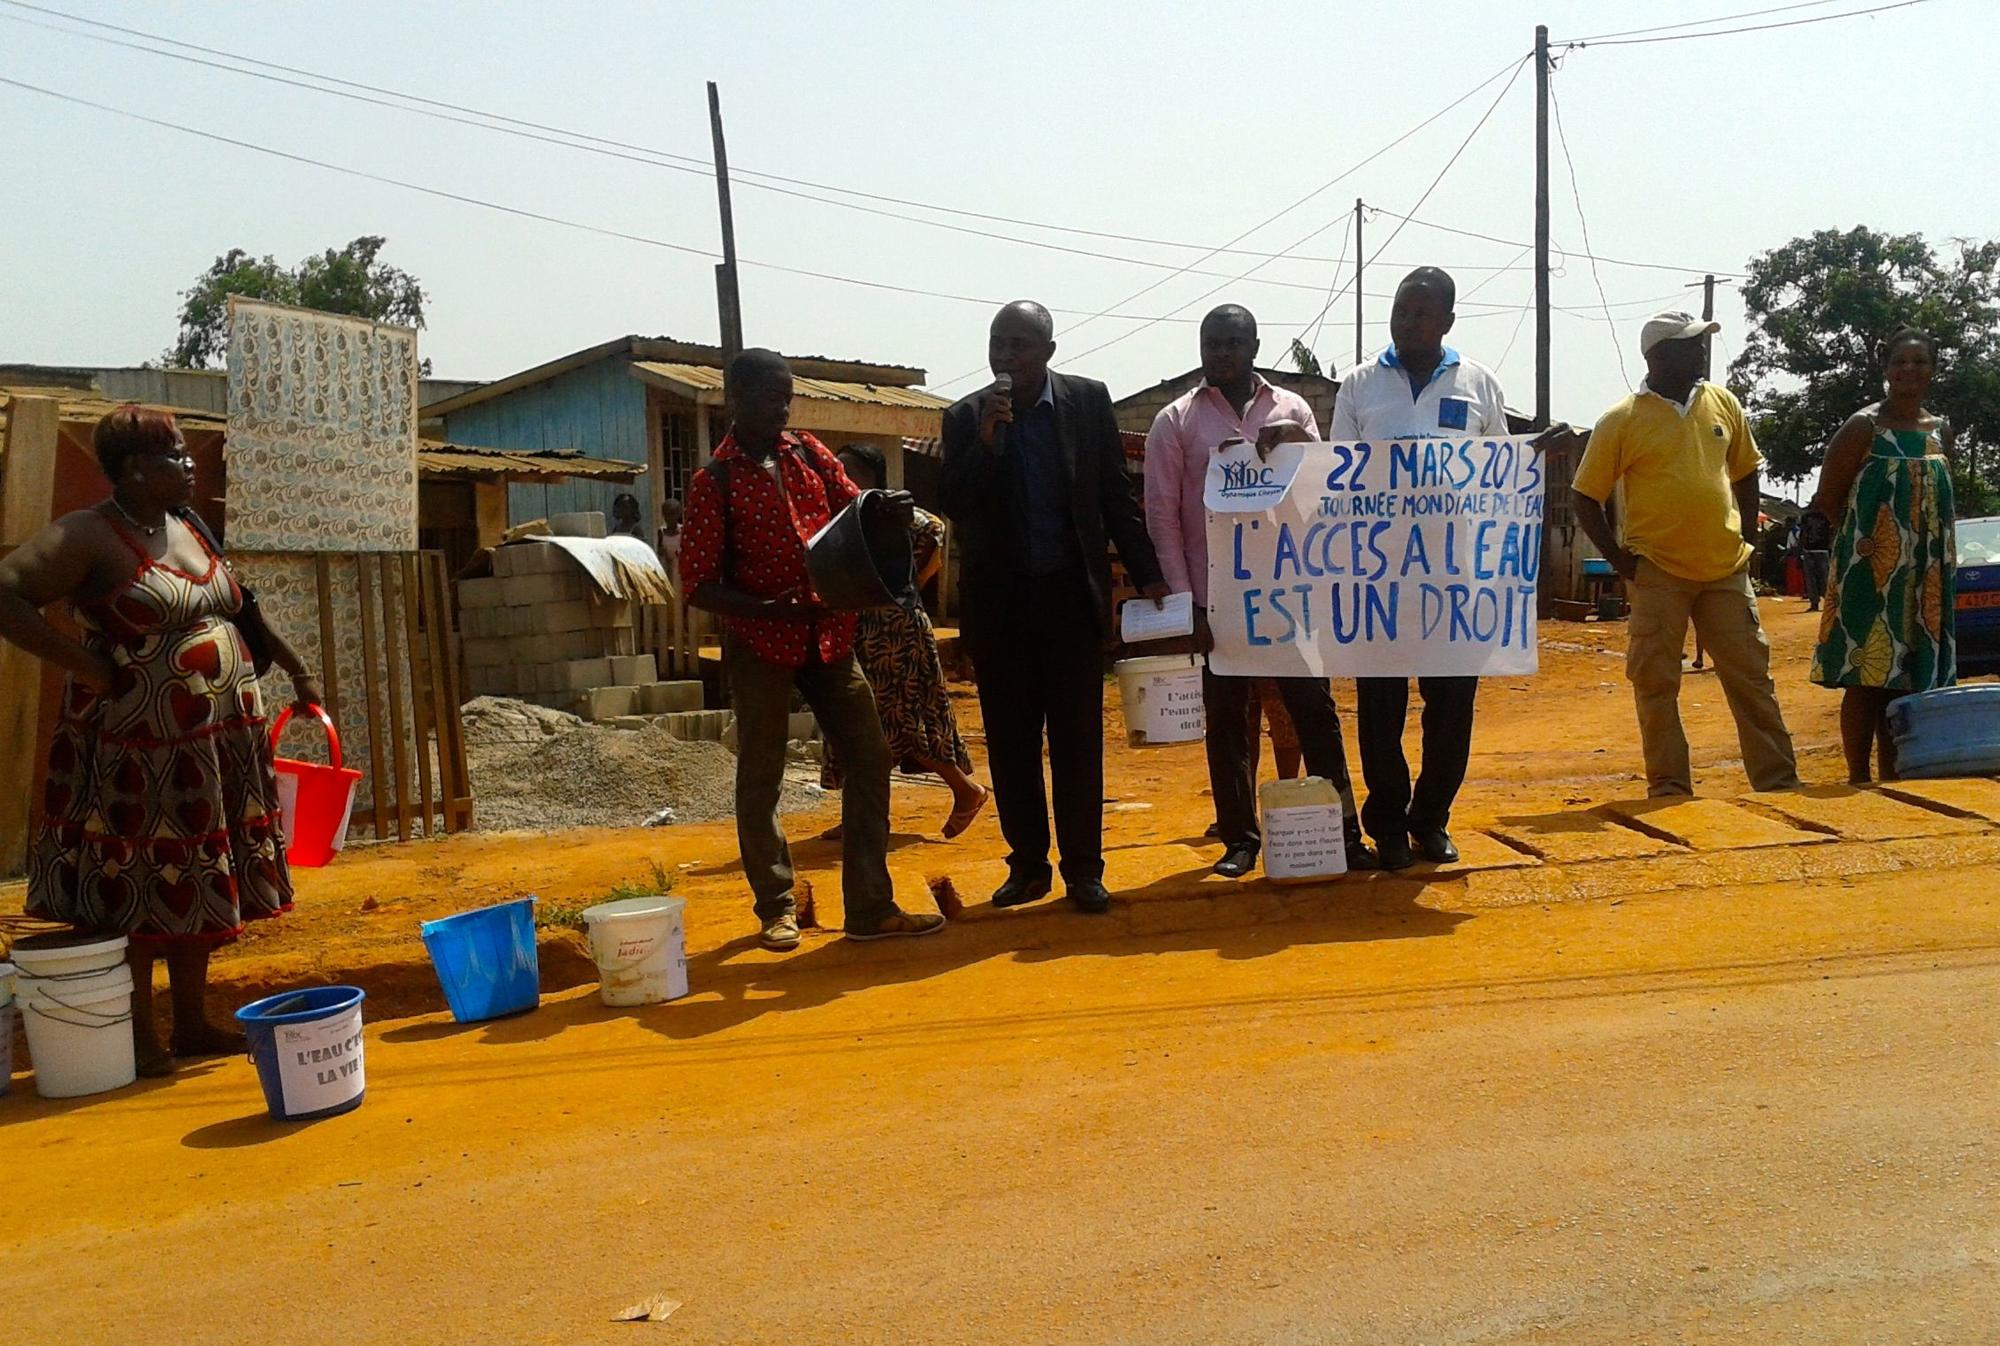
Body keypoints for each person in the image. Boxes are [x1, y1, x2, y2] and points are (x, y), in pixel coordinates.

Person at [0, 405, 320, 1077]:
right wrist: (87, 666)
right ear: (136, 469)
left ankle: (193, 1024)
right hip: (137, 751)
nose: (192, 464)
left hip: (209, 752)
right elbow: (7, 594)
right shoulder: (90, 535)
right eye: (177, 456)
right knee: (140, 885)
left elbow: (241, 608)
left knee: (197, 875)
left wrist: (296, 668)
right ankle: (141, 1037)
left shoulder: (188, 528)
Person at [682, 349, 945, 951]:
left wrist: (888, 511)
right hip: (761, 644)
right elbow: (699, 583)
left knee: (870, 756)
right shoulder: (713, 482)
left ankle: (869, 907)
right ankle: (776, 907)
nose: (781, 407)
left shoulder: (807, 453)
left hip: (828, 635)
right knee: (762, 775)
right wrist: (762, 609)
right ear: (735, 399)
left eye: (785, 395)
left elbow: (855, 509)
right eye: (769, 396)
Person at [940, 300, 1168, 914]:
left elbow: (1114, 497)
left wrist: (1147, 575)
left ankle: (1085, 870)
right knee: (1012, 747)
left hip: (1070, 601)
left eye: (1018, 344)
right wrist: (987, 441)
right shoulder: (965, 418)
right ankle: (1028, 867)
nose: (1005, 357)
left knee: (1077, 743)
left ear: (1047, 350)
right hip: (1002, 612)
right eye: (997, 344)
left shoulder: (1087, 402)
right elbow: (957, 504)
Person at [1290, 267, 1513, 869]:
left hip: (1454, 577)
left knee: (1451, 707)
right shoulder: (1360, 385)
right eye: (1400, 310)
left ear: (1446, 320)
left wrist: (1533, 458)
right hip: (1378, 577)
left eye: (1420, 312)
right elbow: (1339, 474)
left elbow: (1501, 476)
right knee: (1380, 705)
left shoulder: (1480, 385)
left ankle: (1430, 820)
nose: (1407, 321)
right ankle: (1387, 822)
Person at [1143, 304, 1376, 878]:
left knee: (1315, 715)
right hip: (1216, 600)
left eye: (1230, 343)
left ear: (1253, 346)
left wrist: (1297, 440)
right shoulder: (1176, 420)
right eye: (1210, 343)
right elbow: (1161, 516)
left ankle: (1343, 834)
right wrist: (1185, 601)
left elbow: (1323, 488)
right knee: (1227, 724)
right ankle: (1239, 840)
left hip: (1288, 594)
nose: (1219, 353)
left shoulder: (1292, 408)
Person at [1572, 312, 1800, 797]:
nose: (1701, 354)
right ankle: (1671, 788)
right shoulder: (1621, 420)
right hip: (1658, 572)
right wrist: (1621, 562)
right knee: (1657, 685)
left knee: (1751, 680)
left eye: (1700, 344)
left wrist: (1749, 539)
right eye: (1690, 345)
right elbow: (1584, 496)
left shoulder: (1723, 403)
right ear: (1657, 356)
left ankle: (1778, 782)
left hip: (1726, 569)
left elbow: (1745, 472)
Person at [1807, 327, 1957, 783]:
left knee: (1910, 676)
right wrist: (1869, 545)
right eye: (1900, 361)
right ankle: (1858, 777)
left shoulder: (1940, 431)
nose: (1909, 369)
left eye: (1920, 362)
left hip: (1927, 572)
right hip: (1869, 568)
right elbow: (1829, 498)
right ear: (1886, 369)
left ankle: (1897, 778)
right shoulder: (1863, 427)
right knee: (1867, 673)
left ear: (1933, 370)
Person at [820, 442, 989, 838]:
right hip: (856, 631)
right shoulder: (842, 517)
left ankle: (967, 791)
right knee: (857, 723)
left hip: (896, 632)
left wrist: (915, 578)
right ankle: (859, 815)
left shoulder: (891, 514)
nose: (841, 478)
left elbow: (935, 531)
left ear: (872, 477)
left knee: (902, 719)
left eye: (850, 471)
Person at [1799, 506, 1833, 613]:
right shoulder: (1806, 516)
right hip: (1809, 550)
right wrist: (1802, 548)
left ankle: (1829, 603)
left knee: (1825, 578)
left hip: (1822, 550)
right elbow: (1803, 533)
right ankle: (1814, 603)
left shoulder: (1827, 516)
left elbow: (1833, 531)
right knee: (1810, 578)